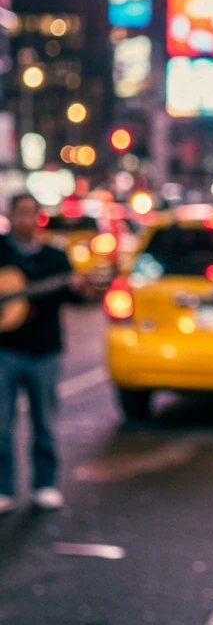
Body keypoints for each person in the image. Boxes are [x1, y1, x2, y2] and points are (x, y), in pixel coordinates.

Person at [0, 193, 89, 515]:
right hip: (5, 350)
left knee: (45, 422)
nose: (24, 219)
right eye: (18, 212)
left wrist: (80, 289)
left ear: (38, 217)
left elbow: (74, 298)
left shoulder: (55, 257)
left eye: (30, 213)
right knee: (1, 425)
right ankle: (4, 488)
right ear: (10, 215)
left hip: (45, 351)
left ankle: (45, 484)